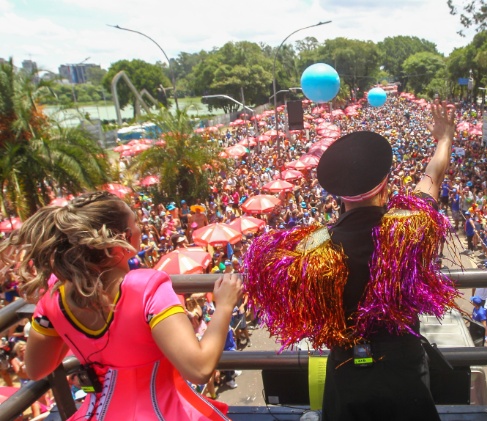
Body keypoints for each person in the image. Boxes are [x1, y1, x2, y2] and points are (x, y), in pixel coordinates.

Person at [243, 100, 457, 421]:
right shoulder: (409, 225)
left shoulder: (316, 246)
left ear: (338, 193)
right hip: (403, 369)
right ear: (385, 184)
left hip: (347, 371)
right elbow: (432, 177)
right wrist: (444, 138)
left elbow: (264, 269)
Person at [0, 191, 242, 420]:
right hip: (164, 412)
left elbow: (36, 369)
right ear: (124, 237)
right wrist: (224, 305)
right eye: (135, 222)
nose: (139, 228)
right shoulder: (147, 286)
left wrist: (71, 330)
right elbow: (199, 369)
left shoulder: (54, 296)